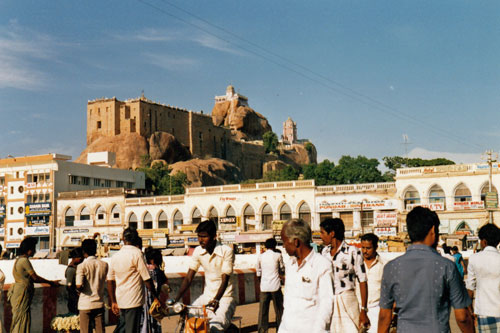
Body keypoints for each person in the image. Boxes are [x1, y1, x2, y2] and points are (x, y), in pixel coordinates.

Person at [378, 207, 474, 333]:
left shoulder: (391, 268)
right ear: (433, 230)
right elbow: (462, 317)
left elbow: (385, 316)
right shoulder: (446, 266)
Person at [174, 220, 237, 332]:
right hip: (206, 297)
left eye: (204, 237)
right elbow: (189, 278)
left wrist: (217, 300)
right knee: (188, 320)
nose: (200, 240)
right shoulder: (198, 251)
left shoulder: (227, 251)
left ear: (214, 236)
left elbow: (225, 280)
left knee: (215, 327)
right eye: (199, 236)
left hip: (224, 298)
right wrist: (176, 299)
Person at [278, 218, 334, 333]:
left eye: (285, 242)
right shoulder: (290, 265)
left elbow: (326, 304)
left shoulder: (321, 265)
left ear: (296, 242)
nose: (284, 246)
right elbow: (288, 304)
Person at [319, 218, 369, 332]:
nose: (320, 236)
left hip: (348, 301)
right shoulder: (324, 253)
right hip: (329, 302)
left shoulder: (353, 252)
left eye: (322, 232)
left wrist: (363, 310)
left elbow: (362, 281)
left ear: (332, 233)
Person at [107, 228, 159, 333]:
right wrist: (155, 297)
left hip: (121, 299)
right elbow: (147, 279)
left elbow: (110, 280)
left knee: (124, 327)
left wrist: (113, 301)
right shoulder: (137, 254)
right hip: (134, 299)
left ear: (123, 239)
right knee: (132, 329)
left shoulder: (115, 256)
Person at [8, 237, 59, 333]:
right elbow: (35, 277)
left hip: (19, 292)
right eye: (34, 248)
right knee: (21, 319)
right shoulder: (24, 261)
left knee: (19, 319)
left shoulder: (19, 260)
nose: (34, 251)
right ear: (29, 250)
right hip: (22, 293)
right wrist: (51, 282)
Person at [466, 223, 500, 332]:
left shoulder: (474, 259)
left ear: (484, 241)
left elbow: (470, 289)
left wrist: (470, 311)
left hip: (484, 312)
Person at [76, 239, 108, 333]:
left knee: (85, 330)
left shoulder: (82, 266)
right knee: (100, 330)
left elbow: (79, 285)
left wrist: (79, 290)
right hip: (99, 302)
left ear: (83, 251)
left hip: (85, 303)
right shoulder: (104, 265)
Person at [256, 237, 284, 333]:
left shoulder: (260, 256)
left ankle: (262, 330)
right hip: (275, 286)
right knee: (279, 310)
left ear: (266, 246)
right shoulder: (278, 255)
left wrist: (261, 282)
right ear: (275, 245)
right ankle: (280, 329)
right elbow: (282, 268)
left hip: (264, 287)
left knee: (263, 311)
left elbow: (258, 272)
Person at [140, 247, 169, 333]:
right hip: (154, 303)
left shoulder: (143, 269)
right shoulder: (158, 272)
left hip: (141, 302)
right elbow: (164, 287)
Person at [360, 233, 384, 333]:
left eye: (368, 248)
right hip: (358, 309)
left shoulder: (384, 265)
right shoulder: (357, 264)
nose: (365, 251)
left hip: (375, 309)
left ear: (376, 247)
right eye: (363, 247)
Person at [65, 247, 84, 314]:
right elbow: (69, 286)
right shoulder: (71, 269)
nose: (81, 259)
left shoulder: (78, 267)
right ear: (74, 258)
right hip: (74, 299)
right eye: (79, 257)